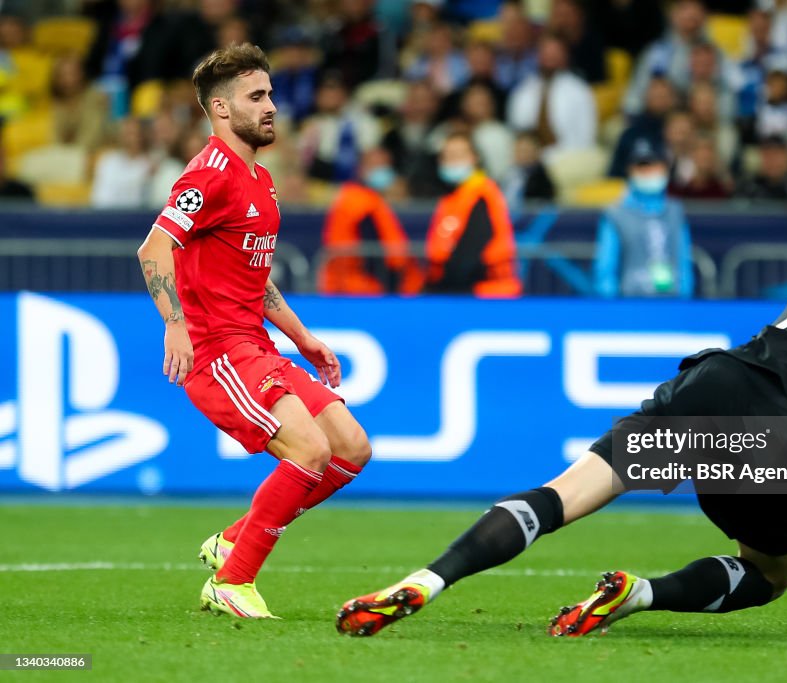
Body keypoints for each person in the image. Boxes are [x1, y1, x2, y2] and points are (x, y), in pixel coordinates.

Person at [336, 232, 787, 637]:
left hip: (711, 385)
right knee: (769, 572)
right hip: (769, 443)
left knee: (562, 493)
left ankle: (427, 579)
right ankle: (639, 593)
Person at [136, 43, 372, 619]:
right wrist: (175, 325)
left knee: (351, 448)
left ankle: (235, 540)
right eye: (256, 97)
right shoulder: (208, 176)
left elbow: (255, 277)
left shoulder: (260, 181)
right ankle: (232, 581)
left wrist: (303, 336)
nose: (271, 106)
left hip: (258, 343)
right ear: (220, 108)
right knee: (310, 450)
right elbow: (154, 247)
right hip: (220, 350)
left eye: (270, 94)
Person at [423, 132, 521, 296]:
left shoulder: (480, 194)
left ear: (474, 158)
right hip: (468, 290)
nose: (453, 161)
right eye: (448, 156)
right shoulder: (455, 196)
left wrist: (443, 286)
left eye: (459, 155)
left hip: (484, 292)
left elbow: (472, 248)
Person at [594, 139, 693, 298]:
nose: (648, 171)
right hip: (631, 306)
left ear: (665, 168)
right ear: (630, 170)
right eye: (641, 166)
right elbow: (606, 269)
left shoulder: (675, 211)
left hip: (672, 304)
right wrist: (611, 308)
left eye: (653, 164)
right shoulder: (616, 213)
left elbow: (683, 263)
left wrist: (684, 302)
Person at [319, 148, 423, 295]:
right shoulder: (360, 203)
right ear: (361, 169)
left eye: (384, 165)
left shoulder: (368, 199)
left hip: (357, 286)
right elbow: (372, 252)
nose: (380, 170)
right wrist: (391, 286)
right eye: (374, 165)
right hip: (363, 289)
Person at [506, 31, 597, 152]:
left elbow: (587, 136)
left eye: (555, 52)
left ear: (566, 56)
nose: (550, 56)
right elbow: (515, 129)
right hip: (530, 159)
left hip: (568, 157)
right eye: (546, 51)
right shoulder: (524, 90)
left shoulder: (579, 91)